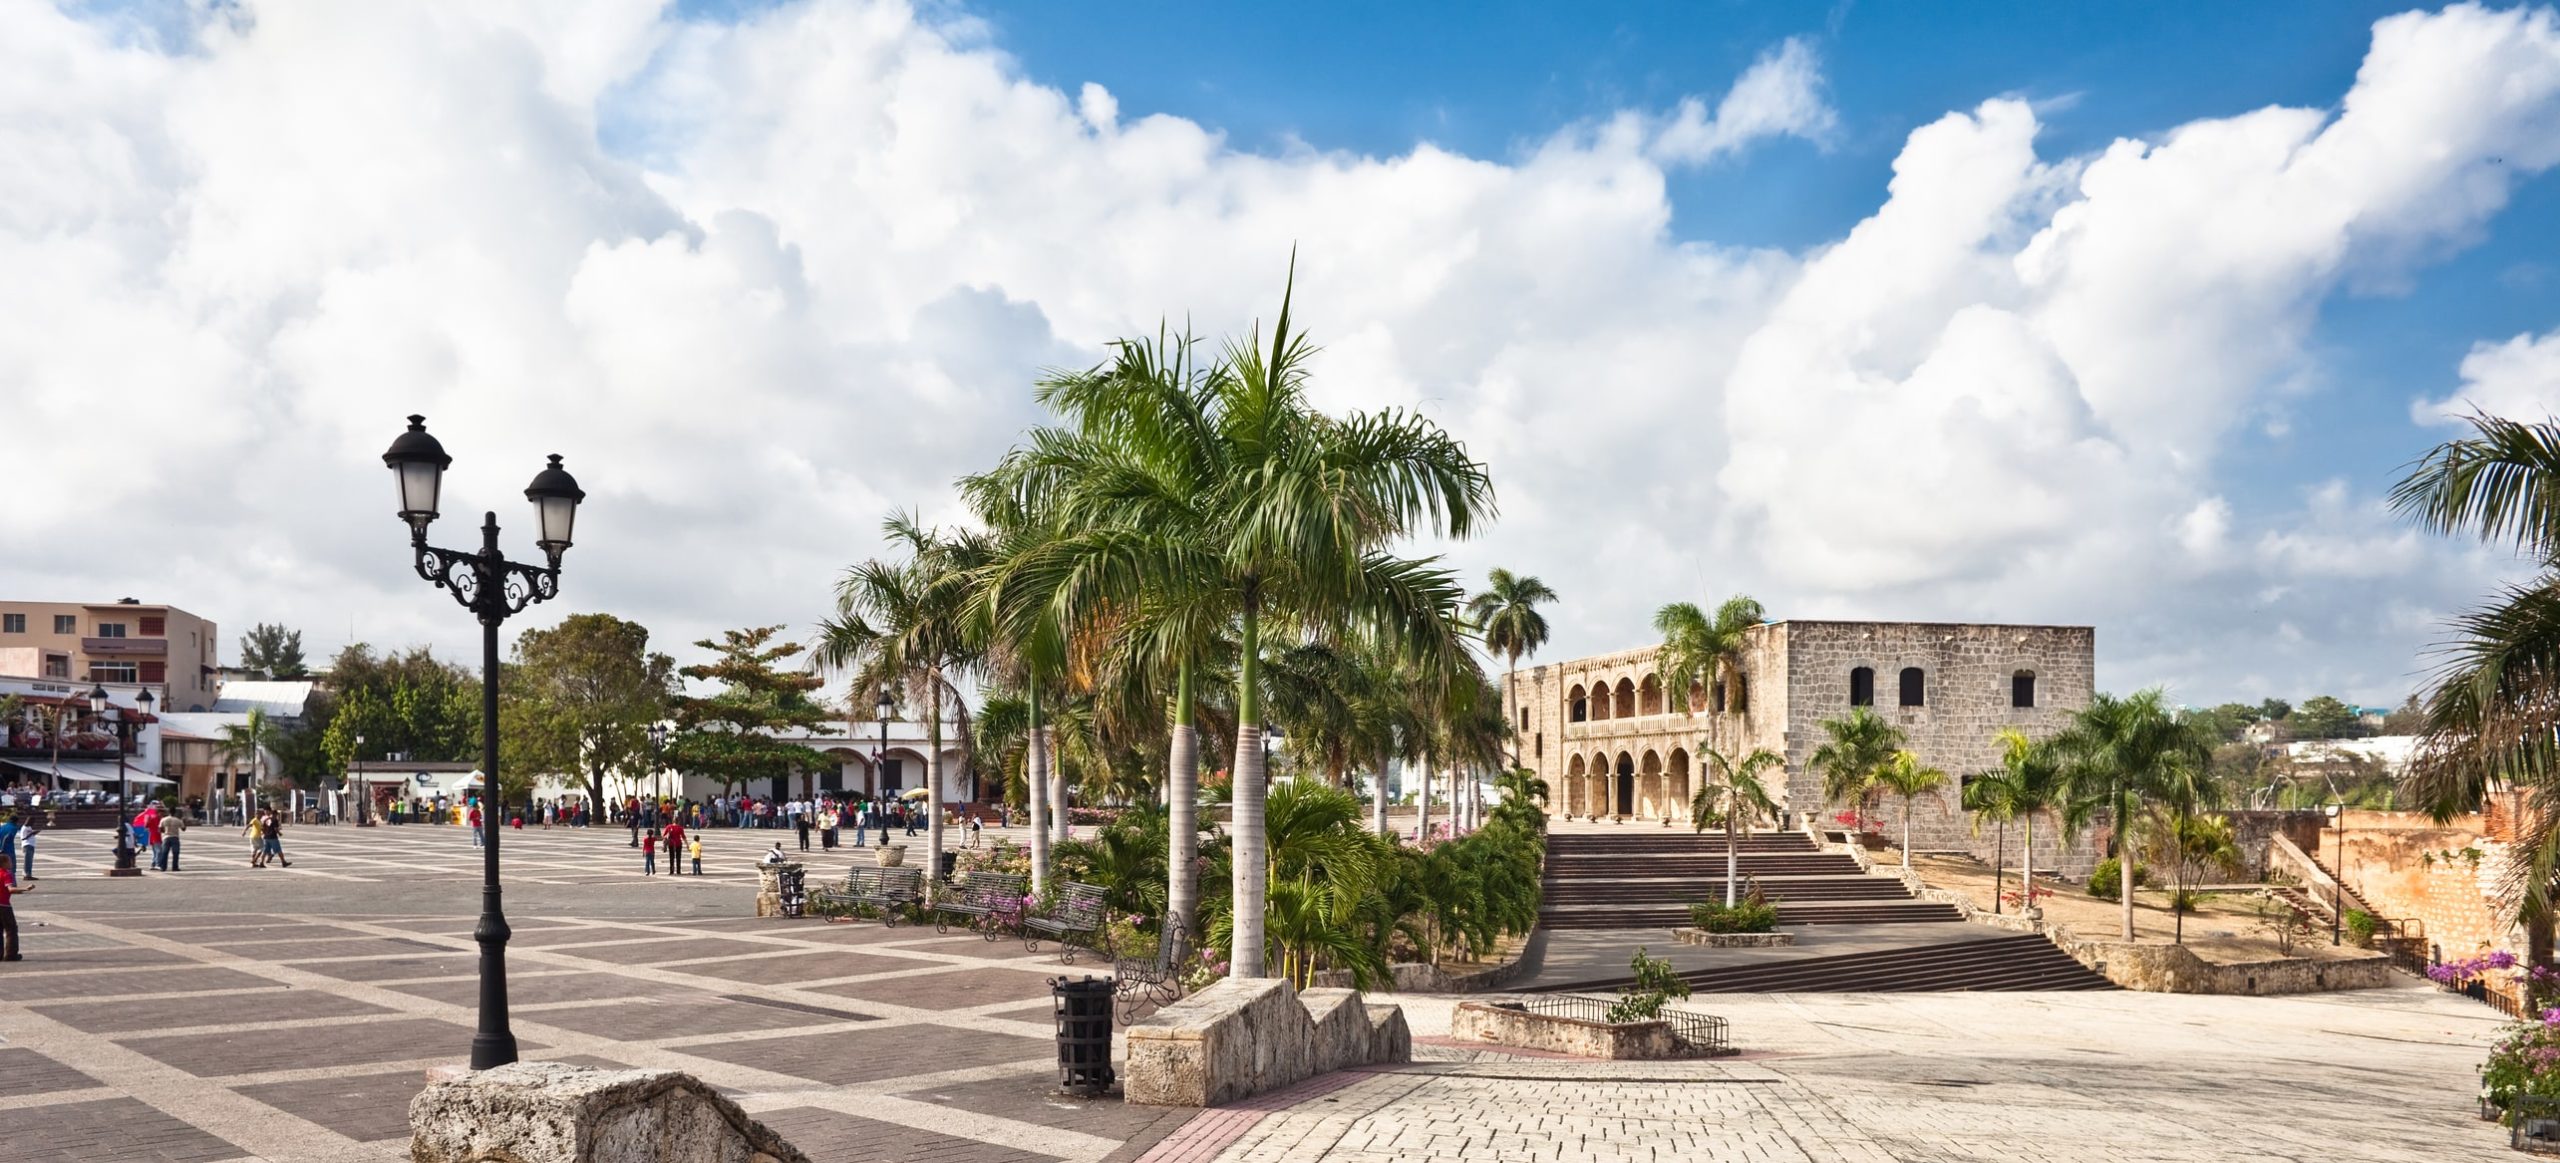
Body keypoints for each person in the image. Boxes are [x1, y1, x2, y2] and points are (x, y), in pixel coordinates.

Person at [0, 861, 26, 961]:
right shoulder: (6, 874)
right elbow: (10, 889)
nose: (11, 863)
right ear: (4, 863)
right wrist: (25, 889)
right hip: (4, 906)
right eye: (9, 861)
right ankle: (11, 954)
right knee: (11, 930)